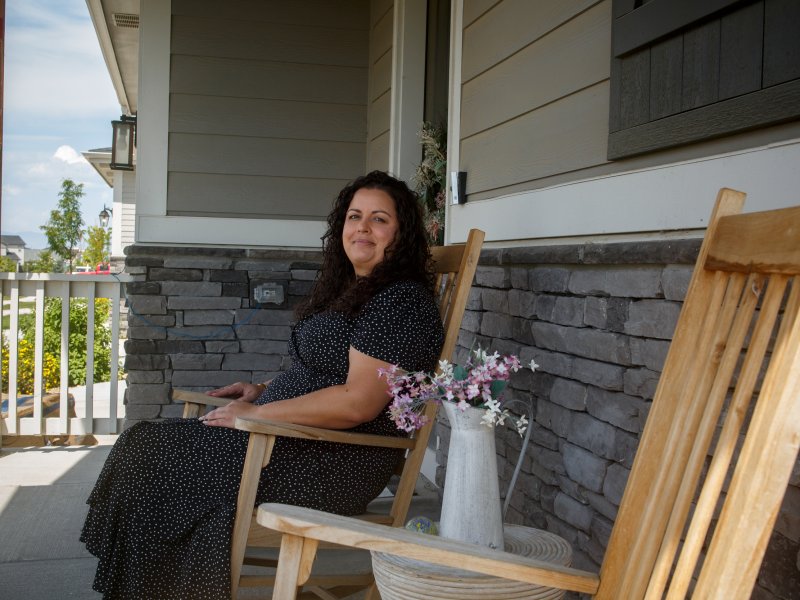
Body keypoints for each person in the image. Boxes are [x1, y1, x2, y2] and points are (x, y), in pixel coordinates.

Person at [80, 171, 444, 599]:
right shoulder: (353, 290)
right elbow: (325, 371)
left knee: (153, 456)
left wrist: (257, 414)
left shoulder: (399, 301)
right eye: (354, 216)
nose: (362, 227)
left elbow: (357, 402)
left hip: (331, 460)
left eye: (379, 219)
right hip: (288, 442)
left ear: (401, 234)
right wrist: (262, 389)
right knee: (143, 446)